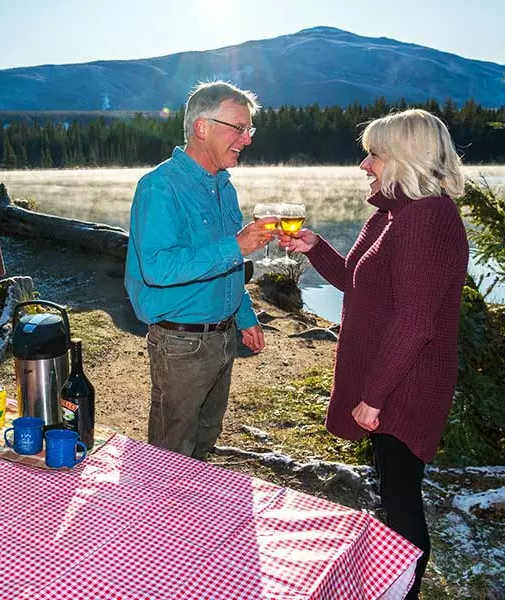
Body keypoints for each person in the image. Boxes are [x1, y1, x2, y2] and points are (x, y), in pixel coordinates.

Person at [279, 108, 468, 599]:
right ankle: (395, 583)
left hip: (409, 384)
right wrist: (316, 247)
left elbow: (415, 321)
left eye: (375, 154)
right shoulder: (391, 214)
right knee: (392, 486)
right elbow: (357, 285)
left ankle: (404, 589)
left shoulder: (428, 219)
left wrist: (376, 396)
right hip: (392, 376)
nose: (365, 164)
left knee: (402, 498)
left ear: (404, 158)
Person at [124, 81, 276, 460]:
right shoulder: (159, 187)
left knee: (206, 439)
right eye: (238, 128)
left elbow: (227, 264)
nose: (247, 138)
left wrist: (244, 314)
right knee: (172, 453)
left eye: (249, 129)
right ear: (202, 128)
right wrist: (237, 245)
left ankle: (193, 516)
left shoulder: (224, 186)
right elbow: (158, 268)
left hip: (222, 337)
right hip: (181, 344)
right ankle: (159, 517)